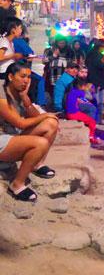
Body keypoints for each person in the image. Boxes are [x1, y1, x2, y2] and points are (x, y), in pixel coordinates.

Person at [0, 62, 60, 202]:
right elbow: (20, 123)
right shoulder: (1, 94)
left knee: (51, 124)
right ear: (10, 76)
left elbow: (33, 117)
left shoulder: (18, 92)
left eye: (28, 76)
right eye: (22, 76)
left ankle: (37, 164)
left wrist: (25, 98)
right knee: (40, 143)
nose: (26, 80)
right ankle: (17, 185)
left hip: (12, 136)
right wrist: (46, 115)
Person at [12, 34, 46, 106]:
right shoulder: (19, 41)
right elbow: (29, 54)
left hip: (11, 69)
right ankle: (40, 104)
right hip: (20, 69)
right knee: (40, 80)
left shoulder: (6, 41)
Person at [64, 78, 101, 145]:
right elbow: (88, 99)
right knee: (92, 121)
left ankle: (90, 134)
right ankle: (91, 137)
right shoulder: (80, 92)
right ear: (80, 86)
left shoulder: (72, 91)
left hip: (70, 112)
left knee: (88, 115)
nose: (85, 87)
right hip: (74, 113)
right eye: (84, 86)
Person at [84, 38, 104, 118]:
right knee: (97, 101)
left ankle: (97, 118)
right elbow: (102, 67)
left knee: (98, 101)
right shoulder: (97, 56)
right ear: (100, 46)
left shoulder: (91, 55)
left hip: (97, 80)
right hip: (97, 81)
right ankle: (96, 118)